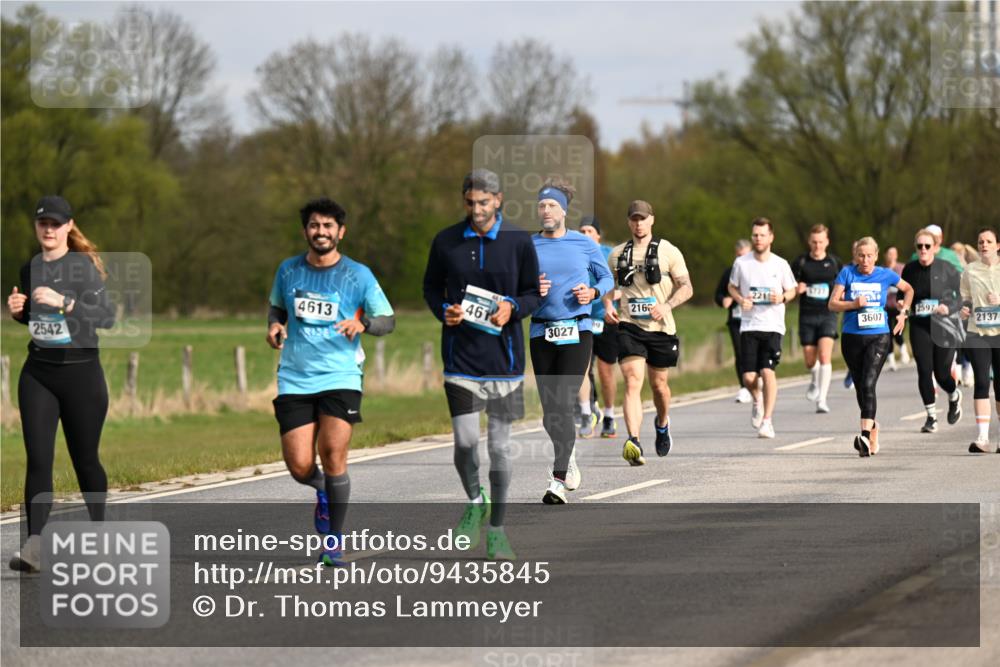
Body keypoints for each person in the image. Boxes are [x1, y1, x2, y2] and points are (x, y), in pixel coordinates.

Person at [267, 197, 395, 567]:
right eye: (314, 225)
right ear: (305, 230)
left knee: (333, 454)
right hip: (295, 377)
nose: (320, 232)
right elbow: (277, 307)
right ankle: (324, 490)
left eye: (327, 226)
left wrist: (363, 323)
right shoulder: (288, 270)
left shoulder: (358, 274)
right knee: (299, 466)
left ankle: (333, 540)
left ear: (341, 232)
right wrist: (274, 326)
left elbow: (387, 320)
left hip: (341, 375)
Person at [423, 169, 541, 558]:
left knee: (501, 449)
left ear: (499, 200)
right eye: (470, 202)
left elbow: (533, 293)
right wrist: (444, 310)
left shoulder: (518, 241)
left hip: (505, 363)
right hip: (460, 361)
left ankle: (497, 530)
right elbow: (430, 287)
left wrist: (513, 307)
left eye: (484, 202)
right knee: (465, 442)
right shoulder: (446, 241)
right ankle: (475, 501)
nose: (476, 209)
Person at [8, 196, 116, 572]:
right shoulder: (30, 268)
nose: (49, 230)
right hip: (39, 373)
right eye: (43, 223)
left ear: (69, 226)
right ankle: (35, 545)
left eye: (56, 224)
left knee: (85, 460)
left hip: (81, 375)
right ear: (36, 226)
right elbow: (37, 318)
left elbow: (107, 317)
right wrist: (20, 312)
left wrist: (65, 302)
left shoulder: (83, 268)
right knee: (39, 459)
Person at [531, 183, 614, 503]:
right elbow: (514, 286)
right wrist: (531, 288)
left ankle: (558, 478)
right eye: (542, 205)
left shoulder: (583, 244)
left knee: (564, 402)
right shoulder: (529, 246)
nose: (546, 210)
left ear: (564, 210)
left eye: (552, 205)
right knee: (550, 412)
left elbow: (606, 278)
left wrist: (592, 292)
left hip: (577, 330)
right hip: (541, 332)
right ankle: (570, 454)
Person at [604, 200, 693, 465]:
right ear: (628, 222)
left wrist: (667, 306)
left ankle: (662, 423)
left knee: (659, 386)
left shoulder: (669, 251)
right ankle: (633, 441)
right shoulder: (616, 254)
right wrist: (607, 304)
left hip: (661, 329)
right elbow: (608, 287)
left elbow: (687, 287)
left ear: (651, 220)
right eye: (634, 219)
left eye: (642, 219)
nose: (638, 223)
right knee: (633, 381)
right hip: (629, 326)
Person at [829, 237, 913, 456]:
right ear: (855, 256)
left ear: (876, 256)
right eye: (861, 256)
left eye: (869, 256)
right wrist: (853, 304)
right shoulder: (847, 273)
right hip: (852, 337)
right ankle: (873, 427)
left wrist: (903, 313)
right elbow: (832, 304)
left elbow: (908, 289)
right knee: (861, 387)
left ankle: (864, 437)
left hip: (879, 337)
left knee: (868, 383)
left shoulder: (886, 274)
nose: (865, 260)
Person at [727, 217, 797, 439]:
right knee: (749, 378)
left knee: (767, 371)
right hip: (749, 325)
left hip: (773, 325)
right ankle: (757, 399)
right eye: (755, 235)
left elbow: (793, 290)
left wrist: (782, 297)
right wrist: (741, 300)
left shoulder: (780, 264)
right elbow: (731, 287)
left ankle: (767, 421)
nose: (758, 239)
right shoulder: (742, 263)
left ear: (771, 237)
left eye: (762, 235)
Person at [902, 229, 963, 433]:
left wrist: (949, 307)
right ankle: (931, 417)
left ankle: (954, 395)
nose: (923, 250)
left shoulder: (947, 268)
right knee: (924, 370)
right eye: (919, 246)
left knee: (942, 374)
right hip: (920, 325)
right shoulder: (909, 270)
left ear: (935, 248)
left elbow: (962, 296)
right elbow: (904, 295)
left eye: (927, 246)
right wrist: (903, 305)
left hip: (944, 326)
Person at [791, 225, 843, 414]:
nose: (817, 245)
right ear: (809, 242)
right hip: (807, 315)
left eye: (821, 242)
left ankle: (822, 399)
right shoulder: (801, 262)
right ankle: (814, 377)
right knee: (810, 360)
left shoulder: (835, 262)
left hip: (828, 314)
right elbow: (788, 286)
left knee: (824, 355)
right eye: (814, 242)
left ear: (827, 242)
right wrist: (797, 288)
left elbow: (845, 284)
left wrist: (841, 295)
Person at [578, 216, 622, 438]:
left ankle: (610, 415)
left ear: (598, 235)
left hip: (605, 319)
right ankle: (586, 414)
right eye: (582, 231)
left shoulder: (609, 254)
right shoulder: (574, 252)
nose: (585, 235)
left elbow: (623, 283)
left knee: (605, 372)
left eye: (589, 231)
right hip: (580, 318)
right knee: (581, 368)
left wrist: (613, 300)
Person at [959, 227, 1000, 454]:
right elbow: (965, 297)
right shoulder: (970, 270)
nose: (984, 245)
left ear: (998, 246)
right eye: (981, 241)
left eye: (988, 241)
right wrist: (964, 309)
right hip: (977, 332)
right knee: (982, 381)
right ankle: (982, 438)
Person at [715, 239, 753, 403]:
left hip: (756, 320)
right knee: (740, 352)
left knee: (754, 352)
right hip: (736, 320)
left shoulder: (758, 271)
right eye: (738, 256)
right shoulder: (729, 273)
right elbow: (718, 294)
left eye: (745, 256)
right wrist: (723, 300)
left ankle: (756, 381)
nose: (741, 260)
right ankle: (744, 387)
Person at [883, 246, 911, 370]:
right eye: (889, 253)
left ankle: (903, 350)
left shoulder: (902, 268)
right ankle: (891, 360)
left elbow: (908, 286)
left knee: (899, 331)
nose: (891, 256)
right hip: (885, 307)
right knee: (888, 334)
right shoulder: (882, 270)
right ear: (885, 255)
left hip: (900, 306)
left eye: (894, 253)